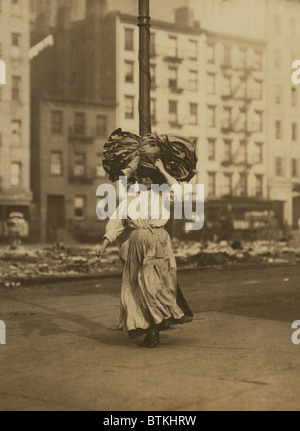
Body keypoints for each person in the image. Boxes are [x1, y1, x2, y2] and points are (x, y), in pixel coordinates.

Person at [96, 159, 192, 348]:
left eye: (151, 177)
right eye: (143, 177)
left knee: (156, 286)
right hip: (137, 243)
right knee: (138, 288)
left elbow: (180, 195)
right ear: (138, 179)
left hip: (159, 242)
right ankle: (150, 329)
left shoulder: (162, 195)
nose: (147, 180)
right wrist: (104, 245)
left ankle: (154, 329)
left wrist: (163, 170)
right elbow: (116, 223)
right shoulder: (130, 200)